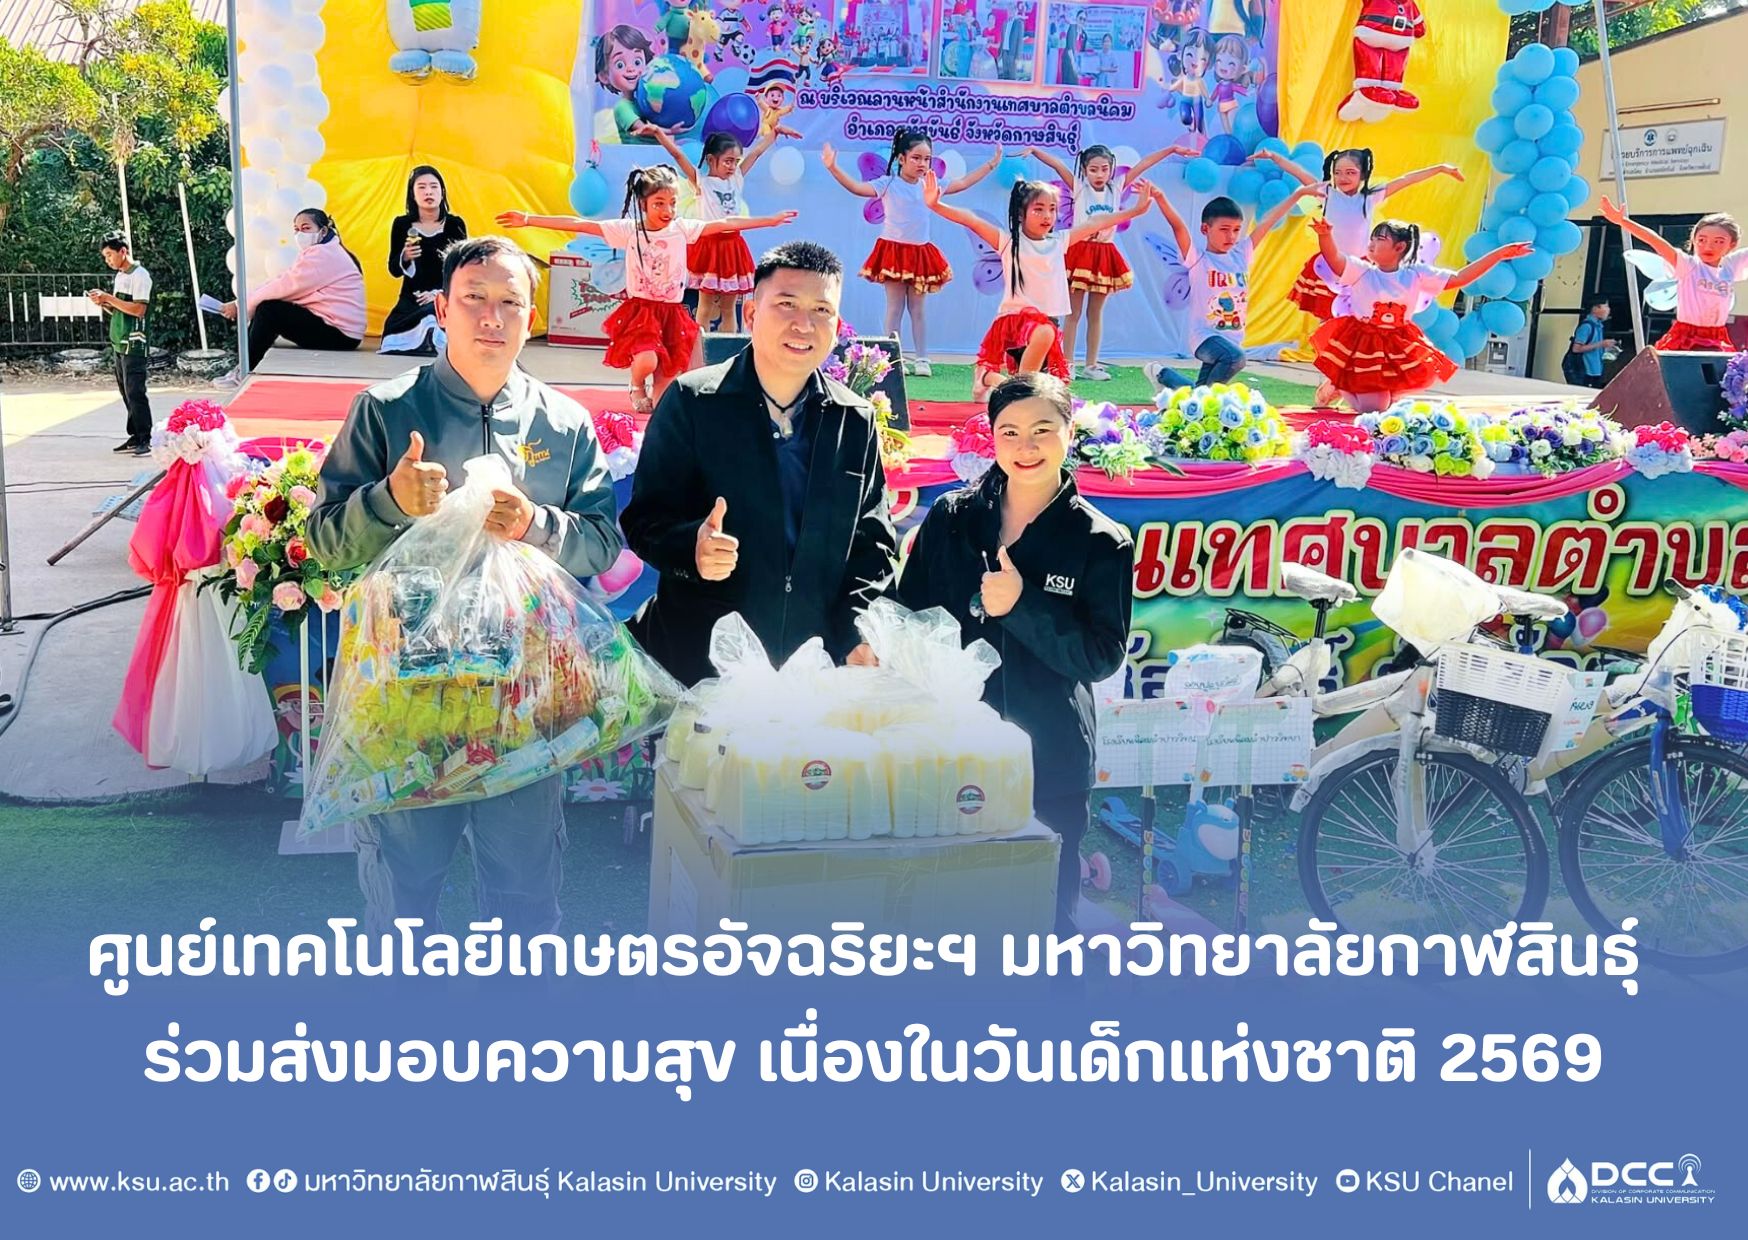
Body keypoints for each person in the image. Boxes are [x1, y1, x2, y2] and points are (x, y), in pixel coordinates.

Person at [307, 236, 622, 936]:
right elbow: (325, 540)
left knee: (524, 896)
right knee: (404, 895)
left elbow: (603, 541)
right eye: (474, 298)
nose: (491, 316)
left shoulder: (564, 423)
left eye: (510, 302)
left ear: (531, 316)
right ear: (442, 309)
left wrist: (537, 524)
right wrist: (389, 501)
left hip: (526, 704)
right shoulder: (386, 410)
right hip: (406, 705)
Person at [897, 372, 1132, 933]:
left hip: (1049, 758)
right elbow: (909, 618)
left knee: (1045, 916)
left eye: (1042, 430)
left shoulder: (1101, 541)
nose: (1026, 447)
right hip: (951, 750)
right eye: (1010, 432)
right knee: (947, 910)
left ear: (1069, 431)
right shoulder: (952, 519)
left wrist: (1021, 607)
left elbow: (1101, 656)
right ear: (993, 437)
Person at [620, 240, 897, 686]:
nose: (804, 324)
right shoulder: (693, 402)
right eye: (786, 304)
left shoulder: (854, 419)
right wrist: (692, 548)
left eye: (821, 310)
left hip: (812, 668)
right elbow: (644, 519)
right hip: (703, 667)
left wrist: (856, 630)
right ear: (750, 313)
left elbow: (874, 546)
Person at [496, 166, 796, 413]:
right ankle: (637, 384)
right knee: (647, 359)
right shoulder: (629, 231)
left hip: (672, 313)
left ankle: (656, 394)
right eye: (659, 203)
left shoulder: (682, 229)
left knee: (665, 392)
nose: (668, 210)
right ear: (644, 205)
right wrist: (529, 219)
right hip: (643, 311)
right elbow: (580, 224)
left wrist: (768, 221)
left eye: (672, 203)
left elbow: (725, 222)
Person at [923, 171, 1155, 397]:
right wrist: (935, 205)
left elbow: (1096, 221)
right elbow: (971, 220)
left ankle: (987, 377)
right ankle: (1011, 388)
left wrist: (1136, 210)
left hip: (1047, 326)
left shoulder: (1059, 241)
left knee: (1041, 389)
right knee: (1031, 380)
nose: (1047, 216)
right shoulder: (1008, 242)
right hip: (1017, 323)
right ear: (1021, 214)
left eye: (1052, 209)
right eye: (1039, 209)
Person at [822, 128, 1002, 377]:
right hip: (893, 252)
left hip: (920, 254)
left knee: (918, 309)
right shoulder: (888, 184)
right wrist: (833, 167)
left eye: (927, 159)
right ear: (901, 158)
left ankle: (922, 358)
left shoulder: (930, 185)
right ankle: (893, 358)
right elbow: (856, 187)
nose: (922, 164)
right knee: (894, 307)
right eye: (916, 158)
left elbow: (962, 183)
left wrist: (991, 165)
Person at [1309, 217, 1532, 412]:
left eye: (1380, 239)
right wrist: (1325, 235)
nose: (1372, 243)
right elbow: (1334, 259)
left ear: (1399, 247)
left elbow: (1460, 278)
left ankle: (1345, 385)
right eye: (1372, 238)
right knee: (1373, 409)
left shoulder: (1416, 273)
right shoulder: (1362, 270)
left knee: (1393, 399)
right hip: (1364, 342)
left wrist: (1499, 255)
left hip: (1398, 342)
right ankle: (1340, 383)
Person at [1024, 141, 1195, 379]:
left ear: (1111, 170)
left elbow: (1144, 164)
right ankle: (1067, 364)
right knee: (1072, 313)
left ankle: (1091, 365)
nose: (1099, 174)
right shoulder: (1080, 188)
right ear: (1084, 170)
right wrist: (1035, 150)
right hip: (1079, 252)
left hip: (1104, 254)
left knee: (1095, 313)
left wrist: (1172, 149)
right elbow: (1058, 165)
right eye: (1093, 169)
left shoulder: (1116, 188)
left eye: (1104, 169)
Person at [1147, 185, 1321, 392]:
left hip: (1232, 339)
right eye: (1224, 229)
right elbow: (1179, 228)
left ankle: (1161, 374)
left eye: (1236, 230)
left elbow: (1268, 220)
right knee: (1235, 359)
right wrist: (1161, 198)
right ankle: (1200, 398)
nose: (1231, 236)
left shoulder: (1241, 254)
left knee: (1201, 391)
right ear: (1205, 229)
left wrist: (1299, 194)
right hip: (1204, 338)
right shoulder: (1198, 259)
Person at [1276, 147, 1465, 322]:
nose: (1342, 177)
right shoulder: (1326, 193)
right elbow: (1299, 173)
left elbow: (1406, 179)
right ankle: (1327, 345)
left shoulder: (1370, 197)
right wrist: (1273, 157)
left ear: (1363, 174)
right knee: (1327, 314)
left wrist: (1440, 169)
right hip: (1332, 263)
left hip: (1359, 267)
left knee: (1359, 314)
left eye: (1350, 172)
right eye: (1337, 172)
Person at [638, 125, 782, 332]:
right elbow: (678, 155)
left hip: (732, 247)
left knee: (728, 308)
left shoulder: (736, 179)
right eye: (728, 161)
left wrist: (774, 133)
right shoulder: (702, 183)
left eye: (736, 161)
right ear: (711, 160)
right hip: (709, 246)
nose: (732, 166)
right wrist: (658, 133)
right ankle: (700, 347)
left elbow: (756, 153)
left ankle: (727, 349)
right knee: (704, 306)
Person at [217, 208, 366, 382]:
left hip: (341, 335)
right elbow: (284, 281)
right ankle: (243, 365)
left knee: (269, 310)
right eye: (296, 229)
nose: (300, 234)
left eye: (306, 228)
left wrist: (240, 306)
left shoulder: (323, 254)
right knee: (269, 307)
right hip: (341, 331)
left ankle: (244, 370)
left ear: (323, 231)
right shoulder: (327, 250)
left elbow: (286, 286)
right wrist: (242, 303)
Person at [1600, 199, 1747, 352]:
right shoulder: (1688, 265)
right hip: (1687, 336)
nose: (1708, 246)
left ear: (1732, 245)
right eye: (1702, 240)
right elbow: (1655, 241)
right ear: (1693, 241)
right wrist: (1623, 221)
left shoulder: (1730, 267)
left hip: (1718, 336)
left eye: (1719, 241)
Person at [382, 165, 467, 356]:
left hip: (445, 296)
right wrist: (405, 257)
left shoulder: (454, 224)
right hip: (413, 298)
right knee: (393, 329)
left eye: (433, 186)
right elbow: (393, 270)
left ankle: (433, 340)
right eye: (421, 187)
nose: (428, 192)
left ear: (442, 192)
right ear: (412, 194)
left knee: (434, 313)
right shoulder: (402, 224)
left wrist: (439, 294)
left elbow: (462, 268)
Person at [89, 233, 153, 455]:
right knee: (126, 391)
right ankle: (135, 435)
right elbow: (120, 309)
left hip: (134, 341)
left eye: (109, 255)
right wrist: (103, 302)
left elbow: (139, 309)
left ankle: (145, 437)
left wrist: (109, 297)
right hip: (119, 340)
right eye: (105, 256)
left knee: (136, 391)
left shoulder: (140, 276)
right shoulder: (120, 276)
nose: (107, 260)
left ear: (123, 251)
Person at [1563, 297, 1613, 389]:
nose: (1608, 310)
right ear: (1595, 309)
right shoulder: (1586, 326)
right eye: (1605, 306)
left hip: (1596, 370)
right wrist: (1601, 344)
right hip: (1585, 371)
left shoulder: (1598, 326)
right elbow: (1576, 349)